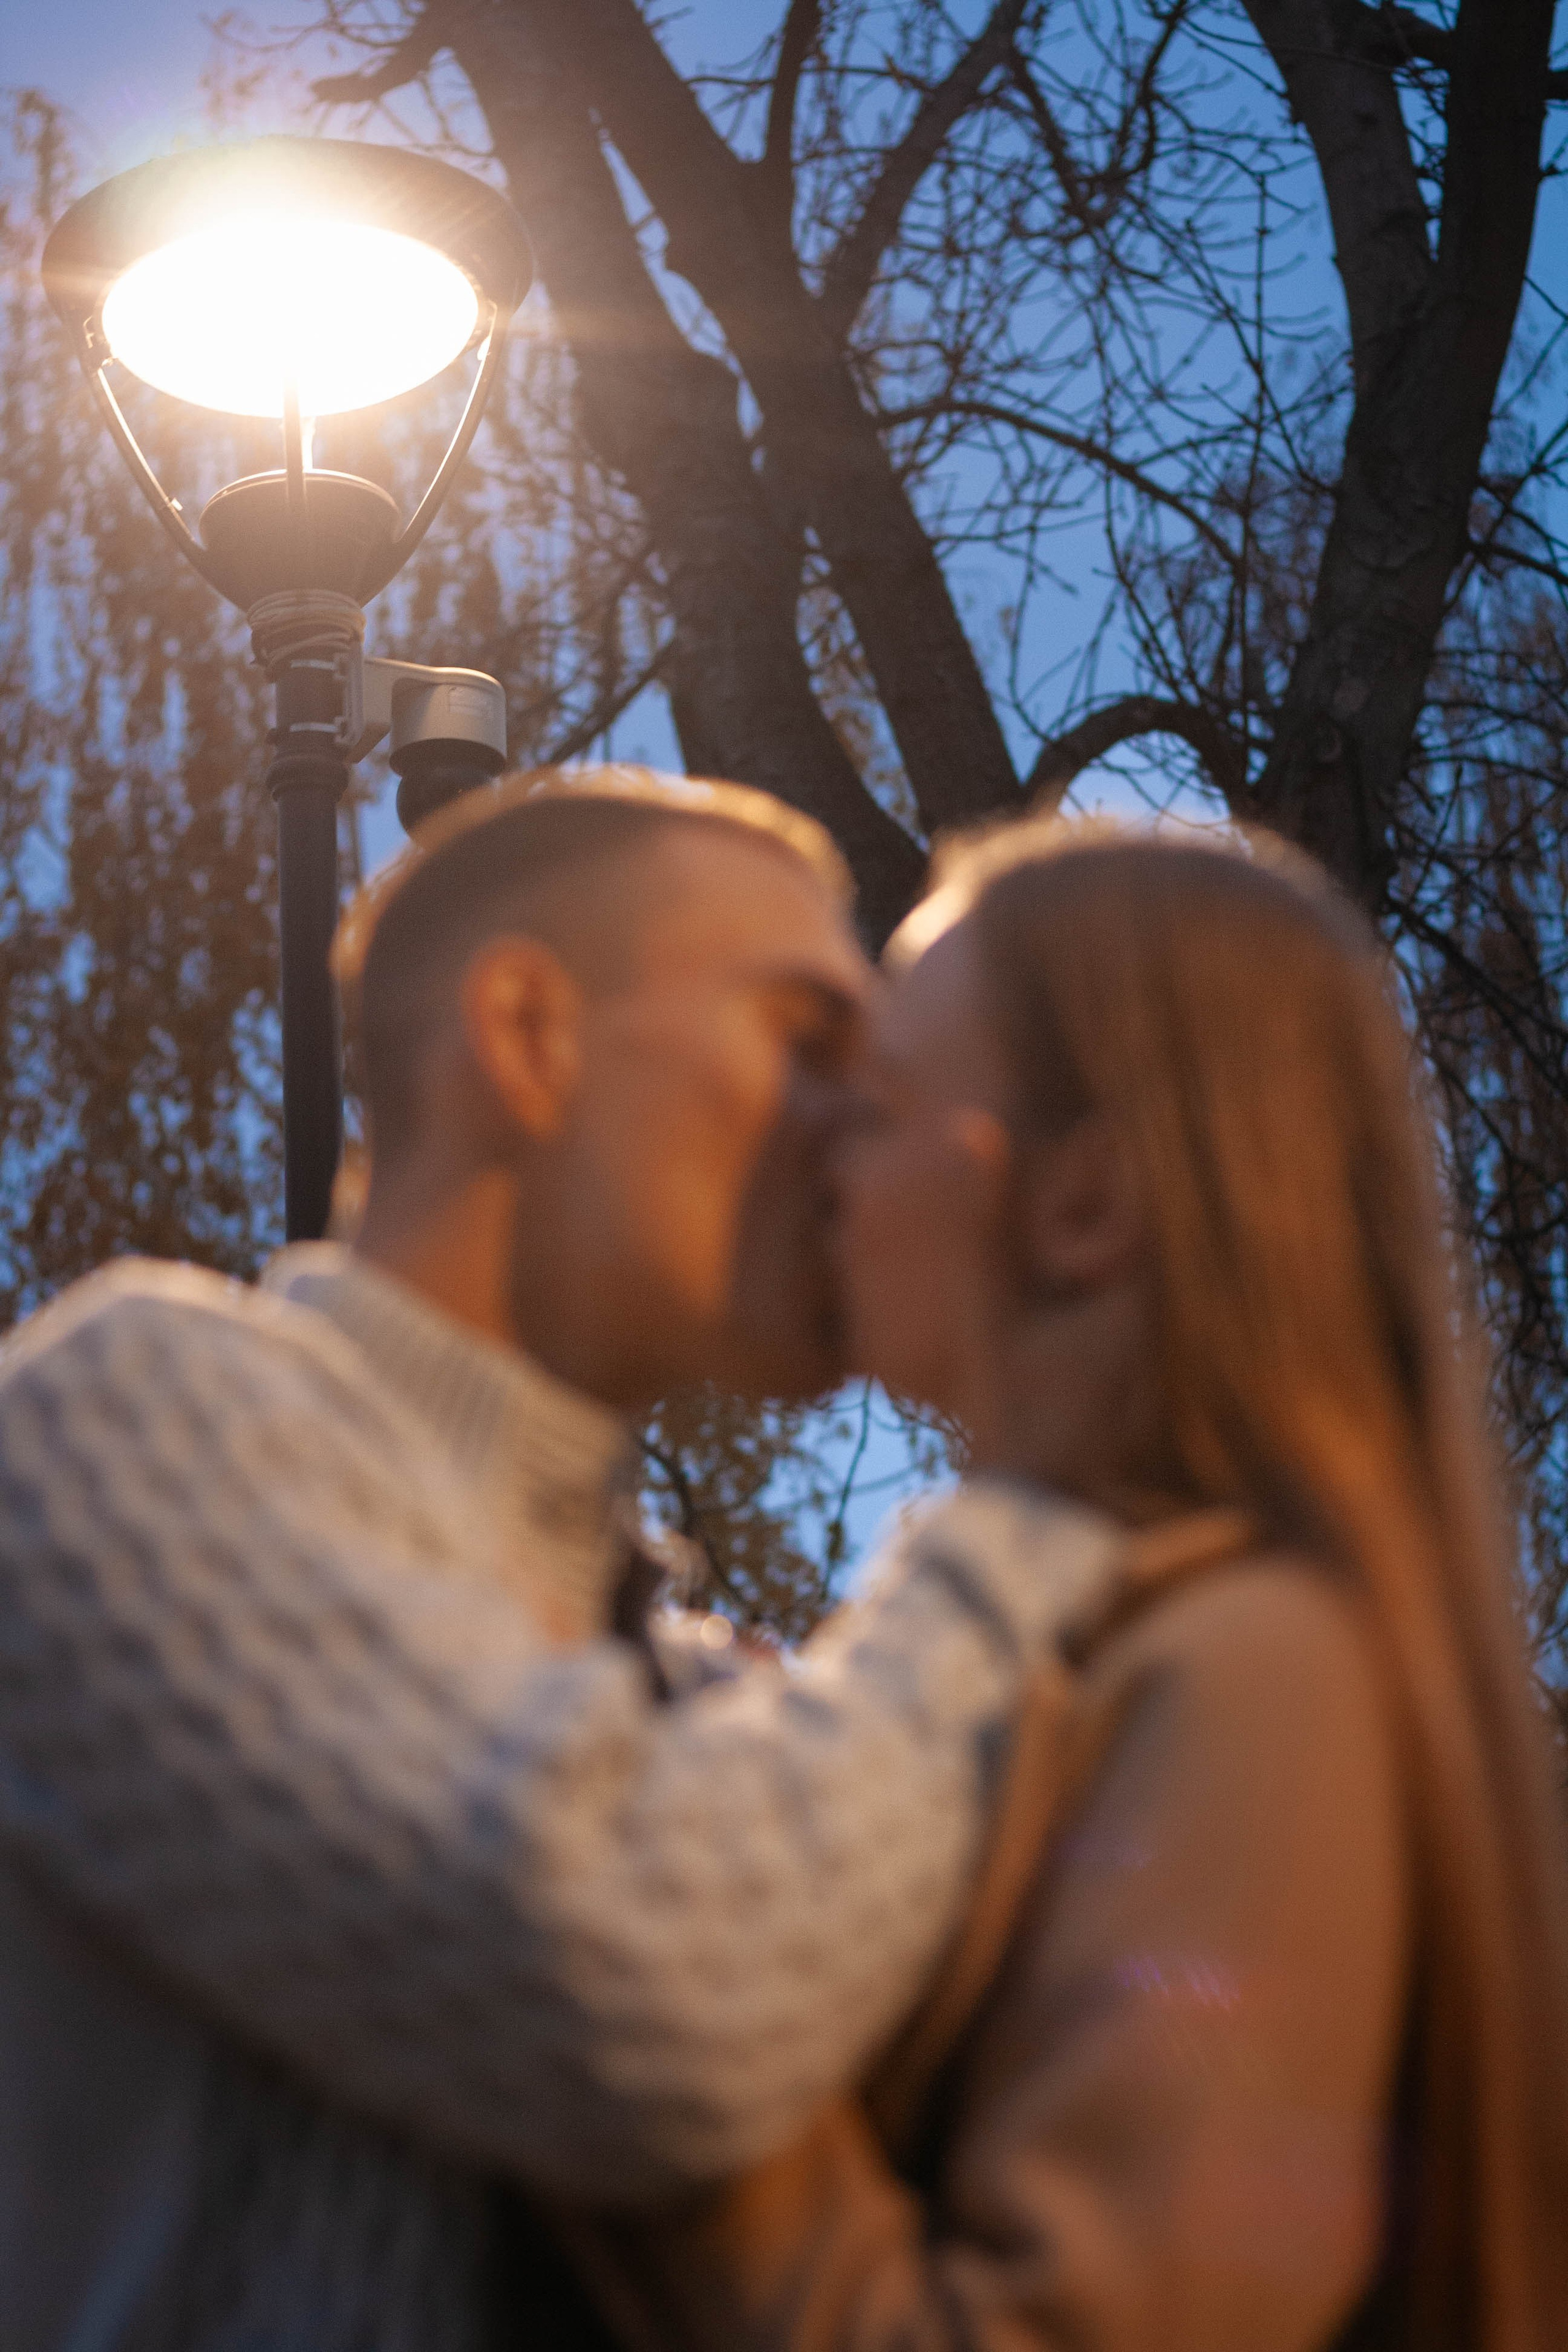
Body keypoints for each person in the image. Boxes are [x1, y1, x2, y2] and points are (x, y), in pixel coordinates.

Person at [0, 770, 1128, 2352]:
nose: (865, 1129)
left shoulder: (697, 1703)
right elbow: (643, 1985)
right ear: (530, 1035)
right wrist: (1054, 1501)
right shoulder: (116, 1428)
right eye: (809, 1042)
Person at [565, 821, 1568, 2352]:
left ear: (1082, 1203)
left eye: (880, 1102)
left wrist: (667, 2004)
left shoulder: (1253, 1677)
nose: (818, 1146)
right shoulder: (1112, 1643)